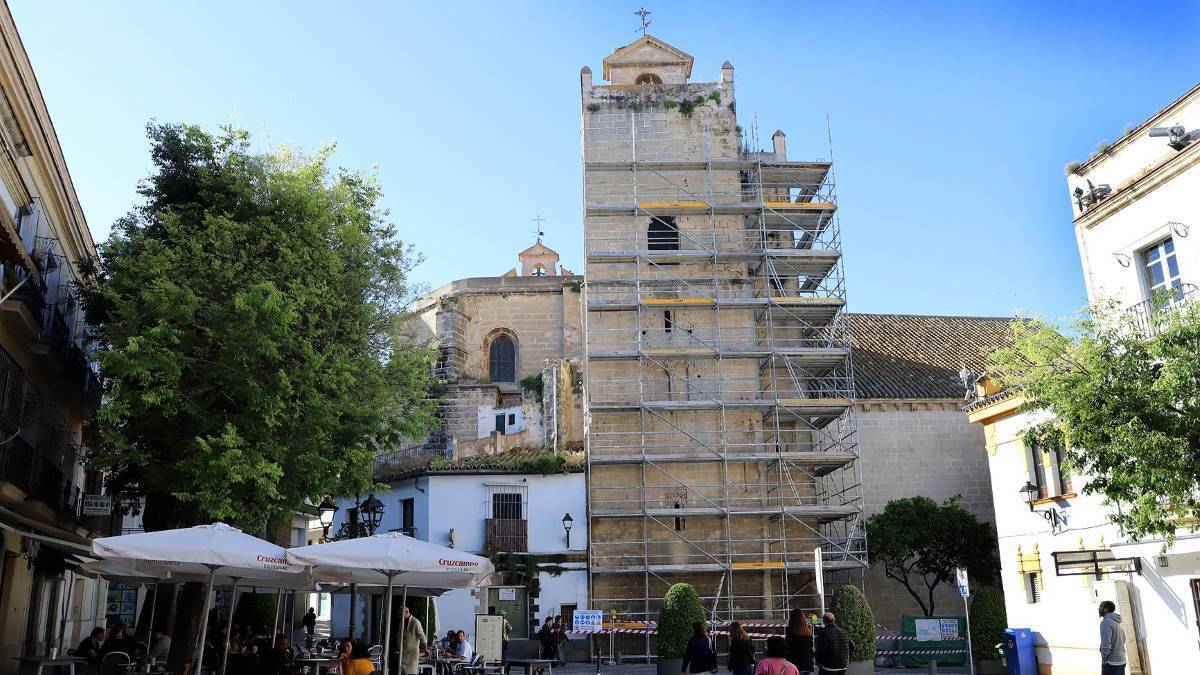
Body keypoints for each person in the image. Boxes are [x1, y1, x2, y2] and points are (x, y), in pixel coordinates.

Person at [396, 605, 428, 675]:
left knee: (411, 673)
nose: (399, 616)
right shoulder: (402, 622)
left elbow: (422, 635)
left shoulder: (415, 622)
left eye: (401, 614)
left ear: (406, 612)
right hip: (403, 654)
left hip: (412, 655)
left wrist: (426, 649)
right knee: (402, 672)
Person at [1098, 600, 1127, 675]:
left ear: (1105, 609)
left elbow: (1106, 644)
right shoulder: (1117, 622)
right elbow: (1123, 639)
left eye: (1100, 606)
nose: (1099, 609)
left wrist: (1104, 657)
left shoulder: (1106, 622)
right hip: (1121, 661)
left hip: (1111, 663)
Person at [785, 609, 814, 675]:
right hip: (808, 665)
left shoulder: (791, 633)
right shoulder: (808, 633)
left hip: (795, 666)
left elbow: (788, 650)